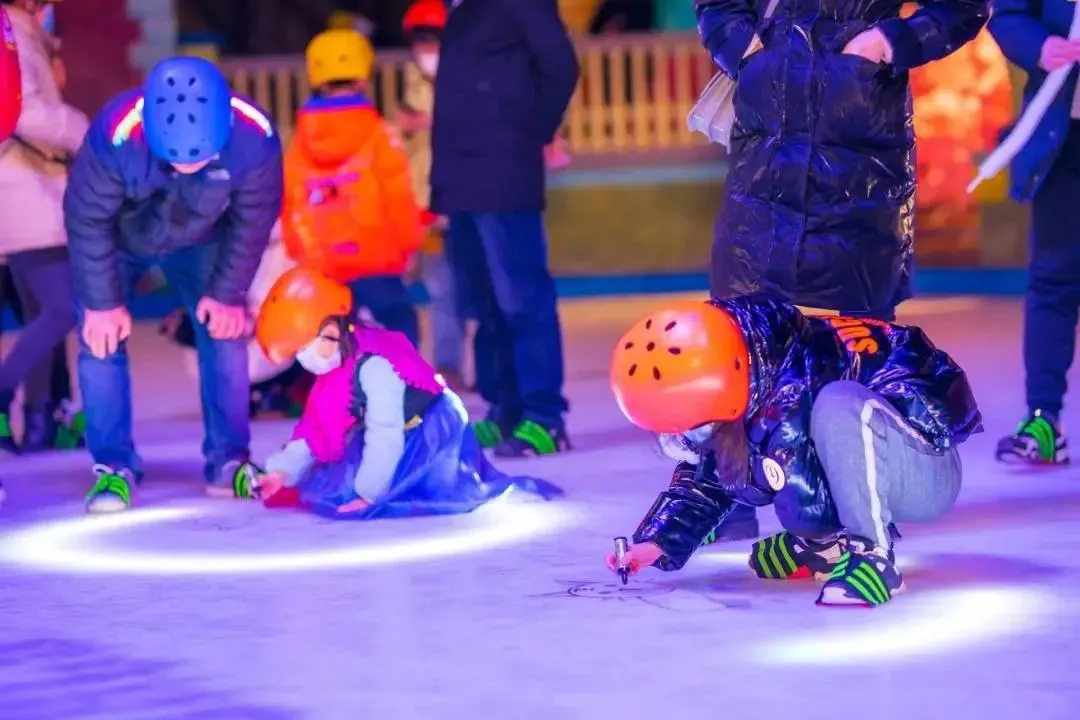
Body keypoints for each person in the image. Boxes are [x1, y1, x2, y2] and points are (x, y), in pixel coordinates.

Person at [695, 0, 988, 540]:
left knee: (852, 329)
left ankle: (855, 500)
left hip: (860, 138)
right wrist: (745, 49)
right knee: (738, 317)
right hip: (768, 134)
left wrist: (886, 42)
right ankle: (726, 490)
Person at [604, 297, 981, 606]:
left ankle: (872, 555)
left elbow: (805, 491)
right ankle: (823, 548)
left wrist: (814, 529)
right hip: (873, 458)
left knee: (834, 406)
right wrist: (657, 542)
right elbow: (713, 468)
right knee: (776, 455)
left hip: (924, 468)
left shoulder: (793, 382)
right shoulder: (744, 371)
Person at [63, 56, 283, 513]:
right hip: (118, 240)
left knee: (224, 331)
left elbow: (253, 220)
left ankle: (228, 460)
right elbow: (87, 217)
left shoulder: (254, 135)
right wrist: (102, 303)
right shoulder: (118, 132)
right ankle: (113, 465)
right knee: (100, 337)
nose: (189, 167)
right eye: (176, 160)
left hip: (202, 239)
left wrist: (227, 294)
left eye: (200, 159)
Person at [243, 267, 561, 519]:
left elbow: (386, 431)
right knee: (333, 475)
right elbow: (317, 428)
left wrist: (369, 493)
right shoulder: (335, 369)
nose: (304, 359)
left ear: (332, 330)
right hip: (398, 429)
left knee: (373, 484)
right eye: (297, 352)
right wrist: (281, 472)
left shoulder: (375, 366)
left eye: (304, 347)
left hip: (432, 431)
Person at [432, 0, 580, 457]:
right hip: (461, 179)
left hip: (504, 172)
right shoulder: (458, 9)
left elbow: (560, 65)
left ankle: (544, 415)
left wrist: (528, 132)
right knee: (486, 303)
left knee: (522, 298)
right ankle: (505, 409)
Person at [282, 28, 423, 347]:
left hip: (322, 264)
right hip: (377, 260)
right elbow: (398, 196)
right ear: (363, 78)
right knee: (398, 329)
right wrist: (409, 245)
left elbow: (290, 201)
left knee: (335, 343)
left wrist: (299, 251)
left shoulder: (300, 143)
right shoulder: (379, 135)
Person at [988, 2, 1080, 465]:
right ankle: (1044, 420)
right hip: (1064, 138)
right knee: (1054, 278)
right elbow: (1007, 13)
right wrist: (1041, 46)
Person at [0, 0, 87, 455]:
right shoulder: (12, 33)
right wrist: (80, 129)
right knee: (62, 308)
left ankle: (41, 420)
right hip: (28, 189)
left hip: (26, 188)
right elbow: (23, 111)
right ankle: (6, 390)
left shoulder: (26, 34)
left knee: (43, 314)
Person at [398, 0, 469, 393]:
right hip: (421, 207)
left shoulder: (466, 80)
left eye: (433, 40)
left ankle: (452, 364)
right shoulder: (414, 85)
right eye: (420, 41)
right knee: (435, 289)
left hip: (457, 202)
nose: (426, 50)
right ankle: (431, 366)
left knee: (456, 289)